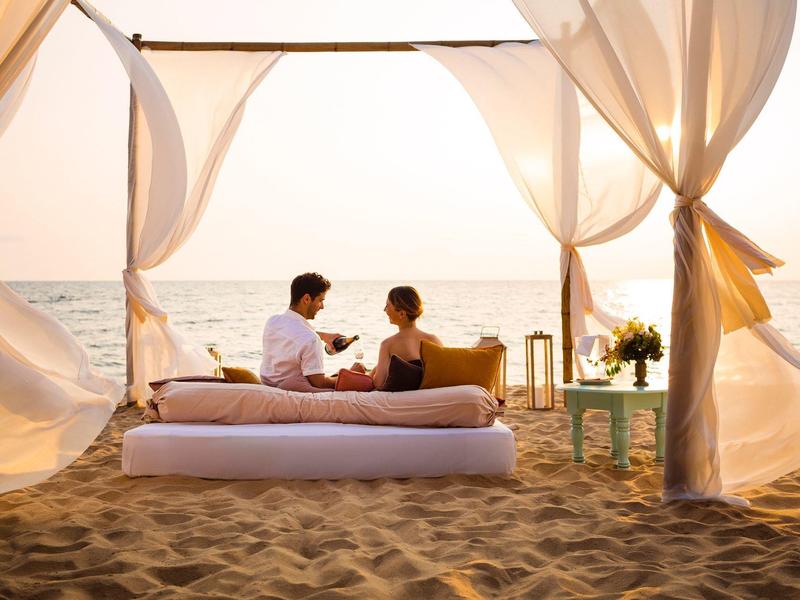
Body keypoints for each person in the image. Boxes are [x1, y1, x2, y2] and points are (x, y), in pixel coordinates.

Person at [260, 272, 355, 392]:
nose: (322, 306)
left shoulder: (272, 322)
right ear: (306, 299)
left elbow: (294, 332)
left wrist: (324, 335)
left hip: (268, 388)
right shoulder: (310, 339)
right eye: (321, 300)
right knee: (358, 373)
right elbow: (320, 383)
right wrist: (349, 377)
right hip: (293, 393)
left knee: (350, 372)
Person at [370, 286, 443, 389]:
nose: (385, 310)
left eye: (387, 306)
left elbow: (378, 383)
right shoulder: (433, 340)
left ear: (402, 314)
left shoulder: (388, 344)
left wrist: (373, 372)